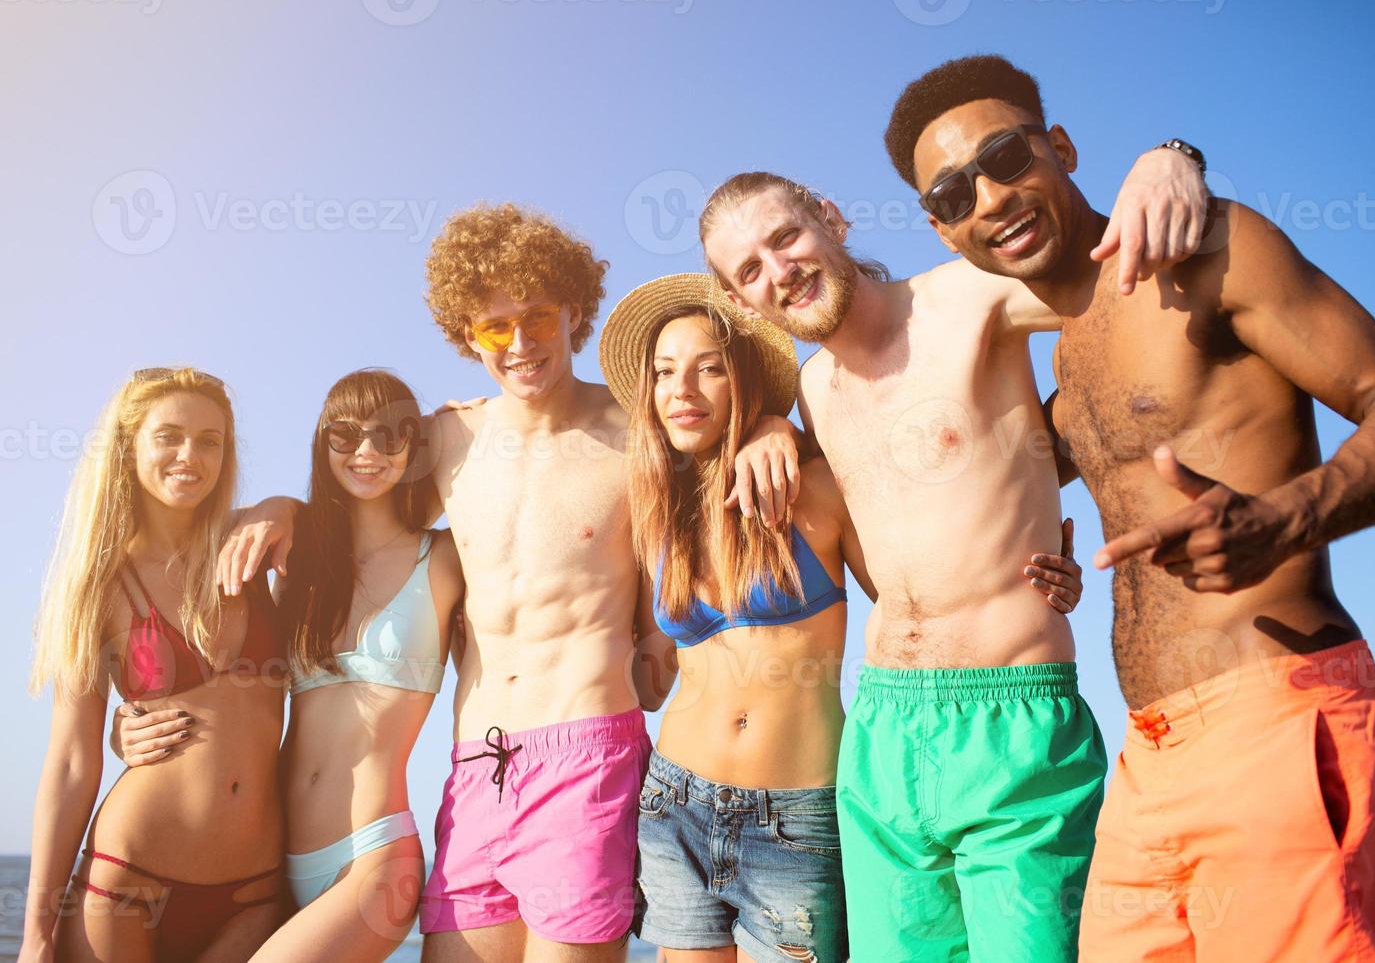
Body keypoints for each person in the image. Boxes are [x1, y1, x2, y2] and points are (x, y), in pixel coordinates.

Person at [888, 52, 1375, 961]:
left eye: (1006, 158)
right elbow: (956, 469)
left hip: (1282, 717)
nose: (990, 199)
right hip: (1147, 762)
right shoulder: (1067, 364)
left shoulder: (1209, 251)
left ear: (1062, 149)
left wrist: (1284, 519)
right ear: (942, 229)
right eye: (956, 194)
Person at [216, 204, 802, 962]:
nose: (520, 344)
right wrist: (280, 507)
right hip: (477, 768)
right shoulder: (448, 439)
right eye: (496, 327)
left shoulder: (635, 428)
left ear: (575, 314)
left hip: (587, 752)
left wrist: (772, 427)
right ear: (467, 334)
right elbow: (356, 497)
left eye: (538, 317)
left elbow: (718, 424)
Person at [697, 144, 1209, 962]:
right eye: (750, 271)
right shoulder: (812, 397)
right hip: (882, 737)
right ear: (740, 299)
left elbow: (1131, 280)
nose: (779, 273)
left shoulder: (969, 298)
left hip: (1014, 718)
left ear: (829, 218)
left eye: (784, 239)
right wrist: (766, 427)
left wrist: (1168, 161)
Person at [598, 272, 1087, 962]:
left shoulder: (816, 487)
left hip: (796, 812)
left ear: (742, 382)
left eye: (709, 368)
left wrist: (1035, 571)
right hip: (674, 800)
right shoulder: (657, 517)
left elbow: (920, 587)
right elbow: (646, 670)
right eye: (665, 373)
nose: (682, 388)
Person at [112, 369, 465, 961]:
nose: (368, 452)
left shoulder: (449, 558)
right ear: (322, 443)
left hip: (373, 856)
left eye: (391, 436)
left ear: (415, 445)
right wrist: (131, 723)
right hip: (270, 865)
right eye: (346, 435)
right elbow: (232, 682)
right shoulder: (297, 565)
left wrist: (466, 427)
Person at [23, 367, 286, 962]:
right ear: (128, 446)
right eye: (168, 435)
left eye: (210, 440)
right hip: (128, 882)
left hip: (257, 892)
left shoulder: (254, 549)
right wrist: (35, 934)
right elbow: (69, 763)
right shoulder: (98, 585)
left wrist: (284, 504)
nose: (189, 455)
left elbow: (361, 513)